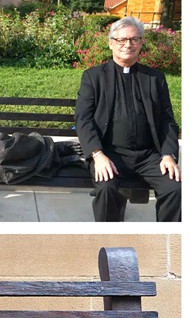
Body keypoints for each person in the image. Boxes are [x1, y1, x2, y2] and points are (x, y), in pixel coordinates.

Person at [75, 16, 181, 221]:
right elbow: (83, 119)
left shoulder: (155, 78)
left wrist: (168, 154)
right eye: (121, 40)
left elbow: (167, 120)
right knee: (106, 189)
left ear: (141, 43)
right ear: (110, 43)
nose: (128, 44)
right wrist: (97, 155)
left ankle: (167, 240)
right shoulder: (93, 76)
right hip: (109, 154)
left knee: (175, 189)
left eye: (134, 39)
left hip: (148, 156)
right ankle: (110, 239)